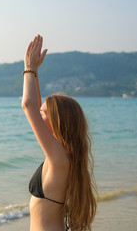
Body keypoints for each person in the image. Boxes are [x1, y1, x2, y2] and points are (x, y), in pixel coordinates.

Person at [21, 35, 97, 231]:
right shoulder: (61, 154)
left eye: (44, 113)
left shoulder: (59, 159)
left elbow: (29, 106)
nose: (39, 113)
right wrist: (36, 71)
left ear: (57, 122)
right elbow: (35, 105)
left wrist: (28, 68)